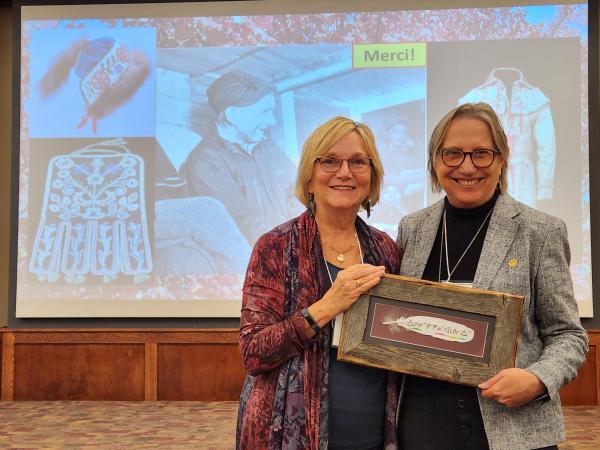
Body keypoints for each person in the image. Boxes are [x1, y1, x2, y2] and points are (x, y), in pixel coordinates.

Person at [395, 102, 588, 450]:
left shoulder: (539, 231)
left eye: (481, 153)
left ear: (501, 159)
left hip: (510, 425)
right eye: (453, 153)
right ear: (435, 162)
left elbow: (568, 334)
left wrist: (537, 379)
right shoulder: (413, 229)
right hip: (423, 420)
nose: (467, 166)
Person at [236, 116, 402, 449]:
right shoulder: (276, 246)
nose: (344, 172)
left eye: (357, 161)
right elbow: (253, 353)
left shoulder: (385, 249)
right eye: (329, 161)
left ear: (372, 178)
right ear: (309, 179)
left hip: (372, 432)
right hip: (288, 434)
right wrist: (325, 307)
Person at [181, 69, 302, 244]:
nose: (272, 121)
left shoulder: (268, 148)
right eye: (265, 111)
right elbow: (242, 224)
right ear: (233, 115)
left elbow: (297, 190)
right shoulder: (205, 160)